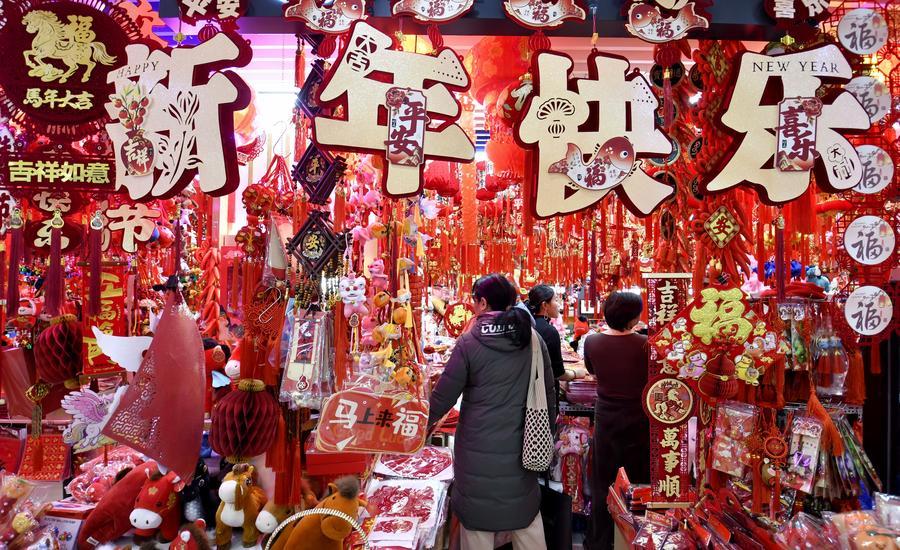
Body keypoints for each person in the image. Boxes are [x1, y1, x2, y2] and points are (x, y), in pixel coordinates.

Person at [428, 274, 555, 550]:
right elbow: (548, 397)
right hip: (523, 449)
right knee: (526, 519)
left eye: (475, 301)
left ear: (483, 302)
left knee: (478, 527)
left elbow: (441, 398)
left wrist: (414, 428)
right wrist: (547, 438)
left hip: (476, 452)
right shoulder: (532, 339)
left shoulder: (469, 341)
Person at [583, 291, 650, 550]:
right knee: (637, 479)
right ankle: (635, 538)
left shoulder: (592, 342)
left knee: (604, 481)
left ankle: (600, 541)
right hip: (639, 417)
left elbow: (591, 370)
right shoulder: (646, 344)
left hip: (607, 417)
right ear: (634, 318)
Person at [526, 285, 577, 383]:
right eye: (555, 300)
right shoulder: (550, 331)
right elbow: (558, 374)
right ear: (544, 305)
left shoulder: (528, 324)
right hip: (543, 390)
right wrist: (576, 373)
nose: (558, 304)